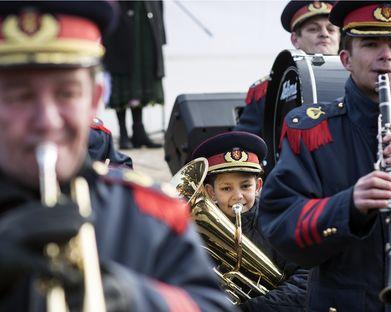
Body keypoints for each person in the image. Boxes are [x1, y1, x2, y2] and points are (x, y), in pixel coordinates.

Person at [0, 1, 235, 311]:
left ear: (95, 100)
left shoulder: (152, 214)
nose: (47, 120)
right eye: (20, 96)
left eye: (67, 93)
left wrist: (135, 297)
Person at [259, 1, 391, 311]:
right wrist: (349, 205)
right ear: (345, 59)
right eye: (370, 44)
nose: (385, 55)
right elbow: (279, 224)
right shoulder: (311, 130)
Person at [192, 131, 307, 312]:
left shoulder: (280, 221)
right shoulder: (198, 232)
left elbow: (306, 281)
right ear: (211, 192)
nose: (238, 196)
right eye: (226, 188)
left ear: (258, 186)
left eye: (245, 186)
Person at [235, 0, 340, 137]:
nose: (324, 34)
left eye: (331, 29)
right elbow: (243, 142)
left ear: (339, 37)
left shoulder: (362, 79)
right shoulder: (270, 89)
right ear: (295, 39)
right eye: (313, 29)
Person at [104, 1, 165, 149]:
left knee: (142, 75)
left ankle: (138, 131)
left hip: (145, 19)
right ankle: (123, 133)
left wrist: (161, 36)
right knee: (123, 74)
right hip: (121, 23)